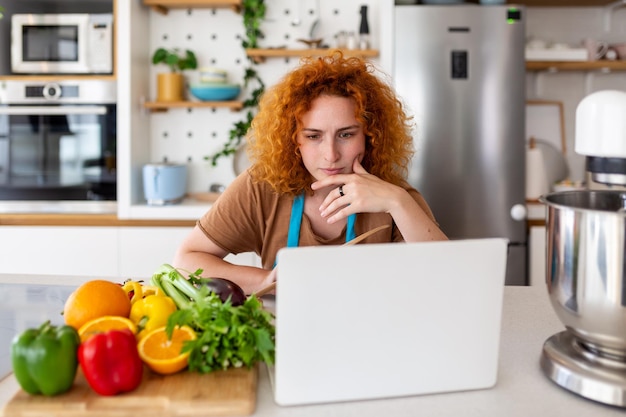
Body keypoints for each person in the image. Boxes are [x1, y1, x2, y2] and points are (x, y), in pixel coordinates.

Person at [173, 52, 447, 295]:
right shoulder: (261, 187)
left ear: (370, 135)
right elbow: (186, 260)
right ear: (294, 139)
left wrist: (397, 203)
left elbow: (449, 275)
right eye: (314, 136)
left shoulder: (392, 193)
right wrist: (268, 280)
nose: (331, 154)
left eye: (346, 134)